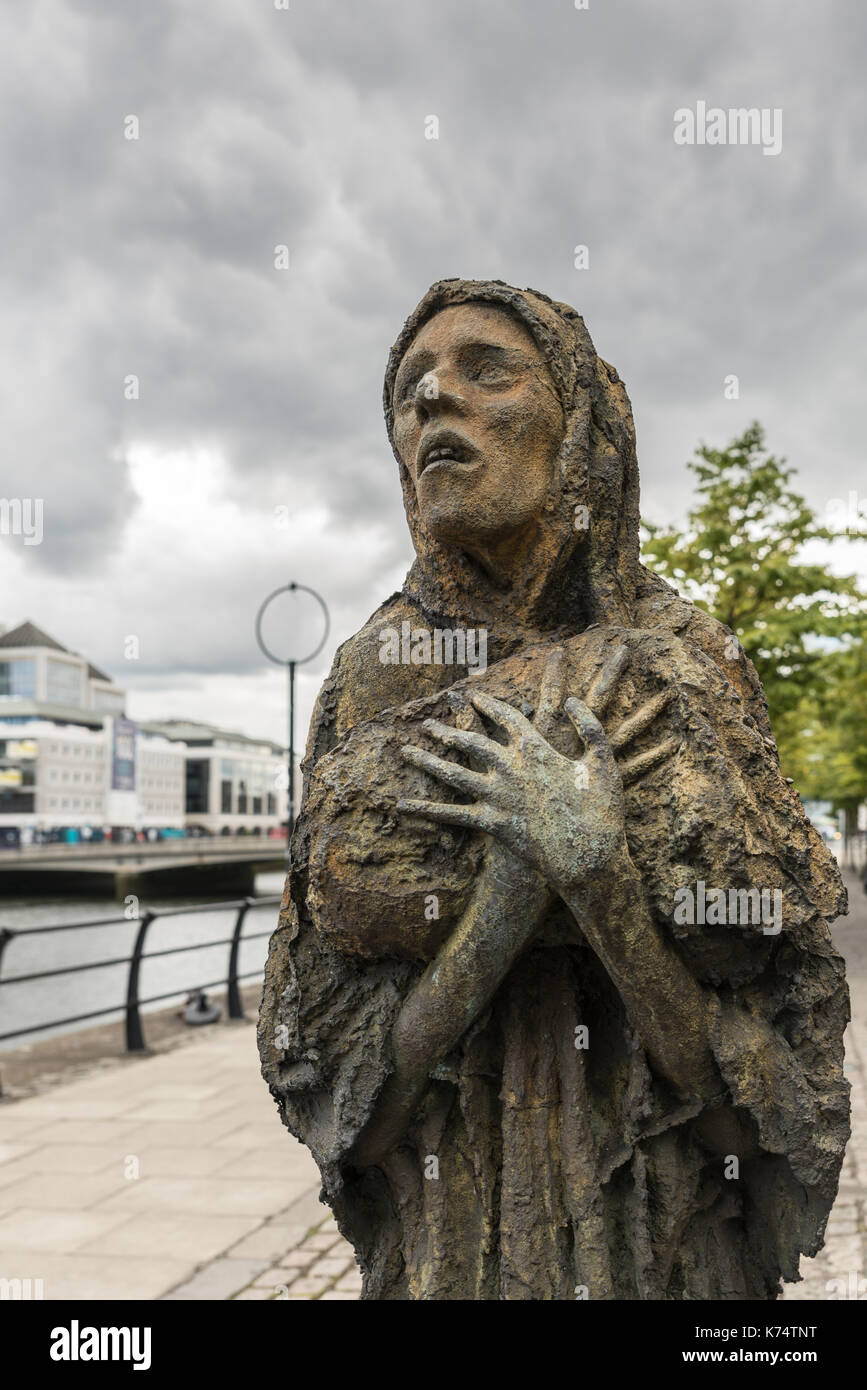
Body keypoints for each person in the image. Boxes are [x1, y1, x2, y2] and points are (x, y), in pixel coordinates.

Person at [259, 279, 849, 1300]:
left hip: (666, 1252)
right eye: (410, 390)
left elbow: (744, 1118)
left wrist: (602, 884)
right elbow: (355, 1107)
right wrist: (505, 901)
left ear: (580, 427)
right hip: (456, 1252)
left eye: (486, 368)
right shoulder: (374, 674)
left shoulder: (689, 658)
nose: (435, 398)